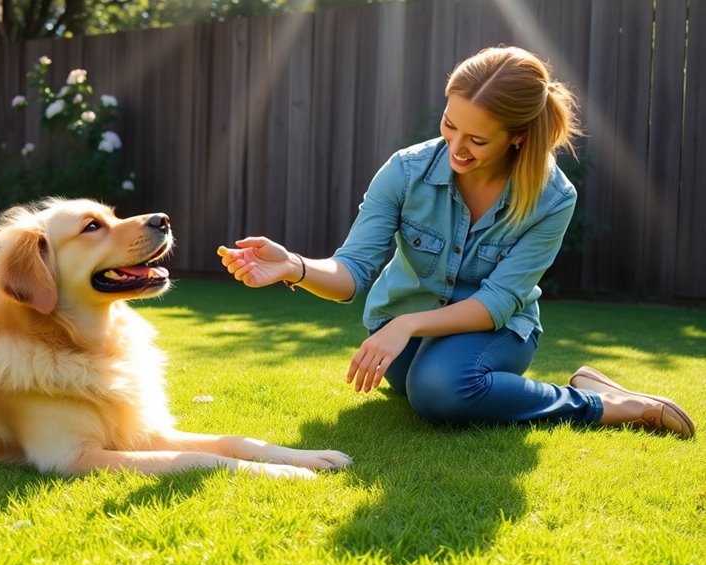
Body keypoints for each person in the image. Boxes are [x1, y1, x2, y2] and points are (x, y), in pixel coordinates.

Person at [218, 46, 695, 438]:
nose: (456, 148)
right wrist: (293, 266)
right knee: (419, 383)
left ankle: (608, 405)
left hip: (497, 329)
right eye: (450, 125)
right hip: (404, 336)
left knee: (441, 390)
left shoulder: (552, 197)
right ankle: (570, 385)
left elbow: (499, 301)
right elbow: (352, 274)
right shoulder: (405, 171)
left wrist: (407, 323)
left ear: (517, 138)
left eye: (477, 140)